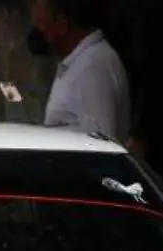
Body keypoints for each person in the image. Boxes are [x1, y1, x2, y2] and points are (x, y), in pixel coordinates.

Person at [27, 0, 132, 144]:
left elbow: (100, 146)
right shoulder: (76, 63)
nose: (37, 32)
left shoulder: (93, 67)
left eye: (40, 24)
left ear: (61, 24)